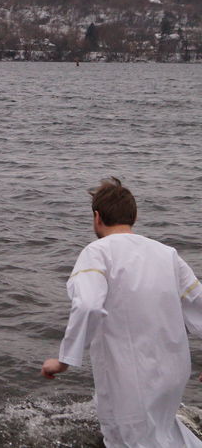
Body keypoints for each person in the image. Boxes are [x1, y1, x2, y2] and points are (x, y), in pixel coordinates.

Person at [41, 177, 202, 447]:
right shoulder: (167, 254)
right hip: (172, 369)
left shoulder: (97, 252)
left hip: (129, 372)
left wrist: (64, 360)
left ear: (97, 217)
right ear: (133, 217)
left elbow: (89, 304)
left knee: (128, 439)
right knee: (165, 433)